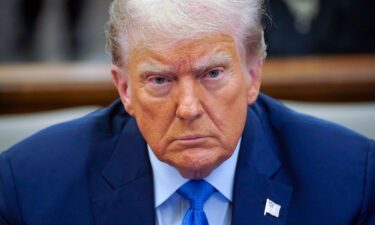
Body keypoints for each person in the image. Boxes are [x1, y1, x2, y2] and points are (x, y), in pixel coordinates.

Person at [0, 0, 374, 224]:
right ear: (124, 89)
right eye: (160, 80)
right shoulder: (29, 189)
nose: (189, 108)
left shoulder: (350, 181)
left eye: (212, 74)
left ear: (253, 75)